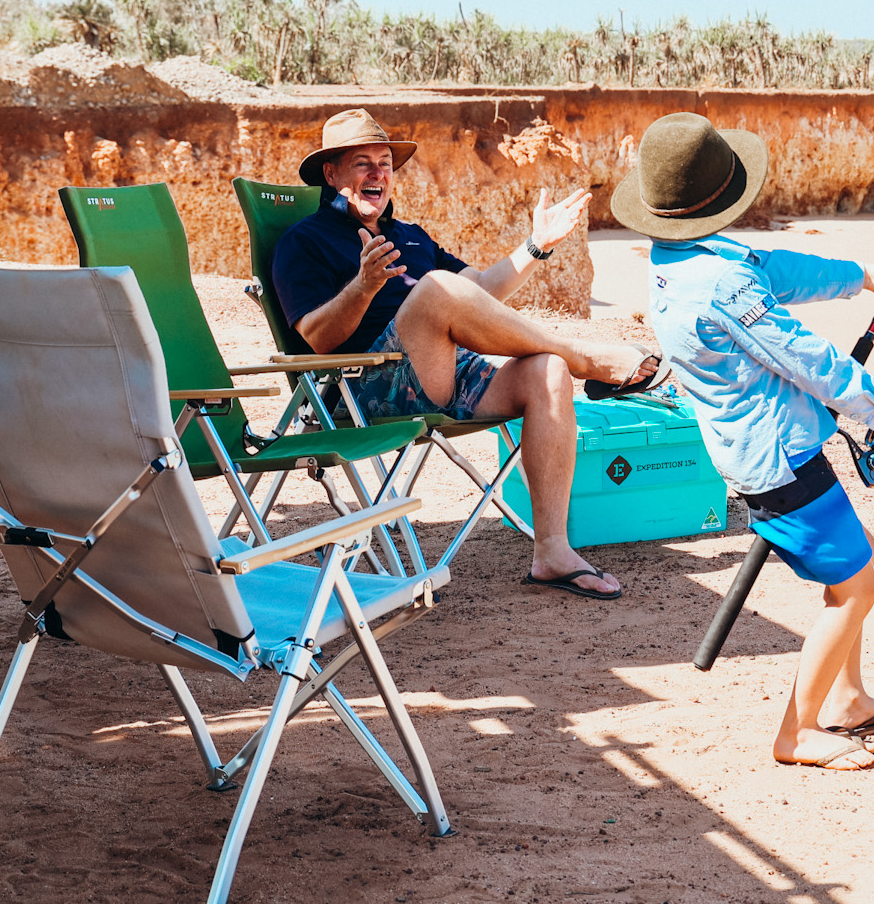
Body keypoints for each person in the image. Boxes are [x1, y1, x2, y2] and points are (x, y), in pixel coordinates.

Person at [613, 112, 874, 770]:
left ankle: (847, 698)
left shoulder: (683, 260)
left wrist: (860, 276)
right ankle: (797, 731)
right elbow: (810, 360)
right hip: (777, 461)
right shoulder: (723, 284)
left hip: (758, 449)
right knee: (856, 586)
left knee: (858, 557)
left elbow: (775, 270)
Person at [272, 109, 668, 600]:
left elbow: (480, 291)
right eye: (361, 163)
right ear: (330, 174)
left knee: (548, 371)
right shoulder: (302, 242)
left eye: (385, 163)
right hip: (362, 389)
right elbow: (316, 336)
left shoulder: (410, 235)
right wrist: (365, 285)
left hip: (444, 371)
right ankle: (591, 359)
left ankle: (552, 550)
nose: (378, 173)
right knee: (437, 289)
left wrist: (536, 245)